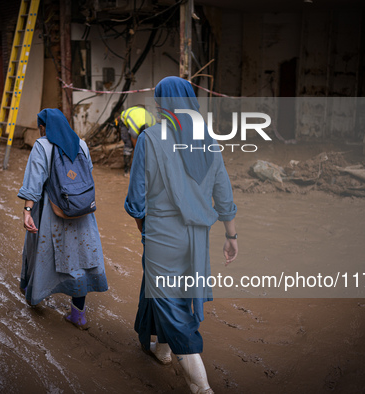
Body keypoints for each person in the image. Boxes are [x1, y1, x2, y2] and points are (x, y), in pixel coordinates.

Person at [124, 76, 238, 393]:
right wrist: (232, 235)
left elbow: (136, 200)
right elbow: (223, 192)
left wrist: (145, 231)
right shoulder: (208, 140)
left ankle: (202, 387)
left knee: (171, 305)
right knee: (176, 293)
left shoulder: (149, 138)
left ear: (161, 105)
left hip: (163, 235)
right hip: (198, 238)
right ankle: (162, 349)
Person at [18, 108, 108, 328]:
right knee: (81, 261)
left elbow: (34, 183)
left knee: (43, 255)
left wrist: (28, 210)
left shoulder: (42, 145)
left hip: (52, 214)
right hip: (82, 213)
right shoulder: (82, 144)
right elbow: (86, 176)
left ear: (43, 126)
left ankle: (34, 298)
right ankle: (78, 315)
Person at [117, 106, 156, 175]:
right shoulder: (134, 128)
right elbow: (134, 140)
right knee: (128, 144)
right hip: (125, 117)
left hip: (139, 113)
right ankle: (126, 170)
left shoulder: (153, 122)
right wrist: (139, 152)